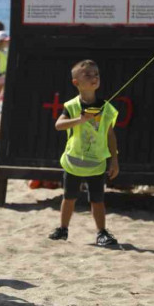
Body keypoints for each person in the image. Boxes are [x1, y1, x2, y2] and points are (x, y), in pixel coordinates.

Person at [49, 60, 119, 246]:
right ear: (76, 82)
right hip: (73, 162)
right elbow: (58, 125)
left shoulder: (107, 107)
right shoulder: (71, 106)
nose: (94, 77)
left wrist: (114, 160)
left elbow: (110, 135)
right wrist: (80, 119)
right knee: (69, 197)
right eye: (87, 75)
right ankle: (63, 229)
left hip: (96, 164)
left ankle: (102, 232)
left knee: (97, 200)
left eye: (96, 74)